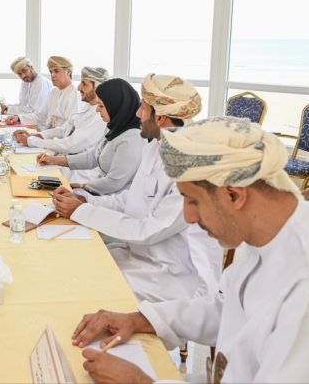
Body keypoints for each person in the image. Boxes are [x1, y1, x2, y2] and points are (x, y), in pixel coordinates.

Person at [73, 116, 309, 384]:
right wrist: (139, 319)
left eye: (193, 201)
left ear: (234, 195)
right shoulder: (270, 231)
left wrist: (142, 381)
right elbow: (232, 307)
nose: (189, 217)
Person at [52, 74, 221, 303]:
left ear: (160, 117)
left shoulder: (191, 166)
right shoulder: (156, 147)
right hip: (138, 257)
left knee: (78, 289)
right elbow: (131, 200)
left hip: (171, 276)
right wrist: (86, 200)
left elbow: (148, 231)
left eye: (143, 108)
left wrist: (81, 211)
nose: (138, 114)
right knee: (69, 263)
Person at [38, 78, 144, 196]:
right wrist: (54, 160)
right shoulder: (114, 127)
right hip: (100, 190)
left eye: (101, 106)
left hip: (114, 198)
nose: (97, 110)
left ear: (116, 106)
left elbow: (114, 183)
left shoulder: (132, 139)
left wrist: (80, 188)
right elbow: (93, 157)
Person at [13, 66, 108, 157]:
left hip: (76, 164)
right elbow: (64, 130)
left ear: (97, 88)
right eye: (51, 71)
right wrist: (36, 136)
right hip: (62, 154)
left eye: (84, 84)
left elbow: (71, 145)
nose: (79, 87)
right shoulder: (87, 107)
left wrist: (32, 141)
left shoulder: (100, 116)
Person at [5, 55, 83, 130]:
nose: (52, 75)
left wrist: (41, 134)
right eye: (51, 72)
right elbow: (41, 116)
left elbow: (68, 129)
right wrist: (18, 118)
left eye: (56, 71)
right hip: (47, 134)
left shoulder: (75, 95)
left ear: (68, 72)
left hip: (57, 137)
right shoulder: (54, 92)